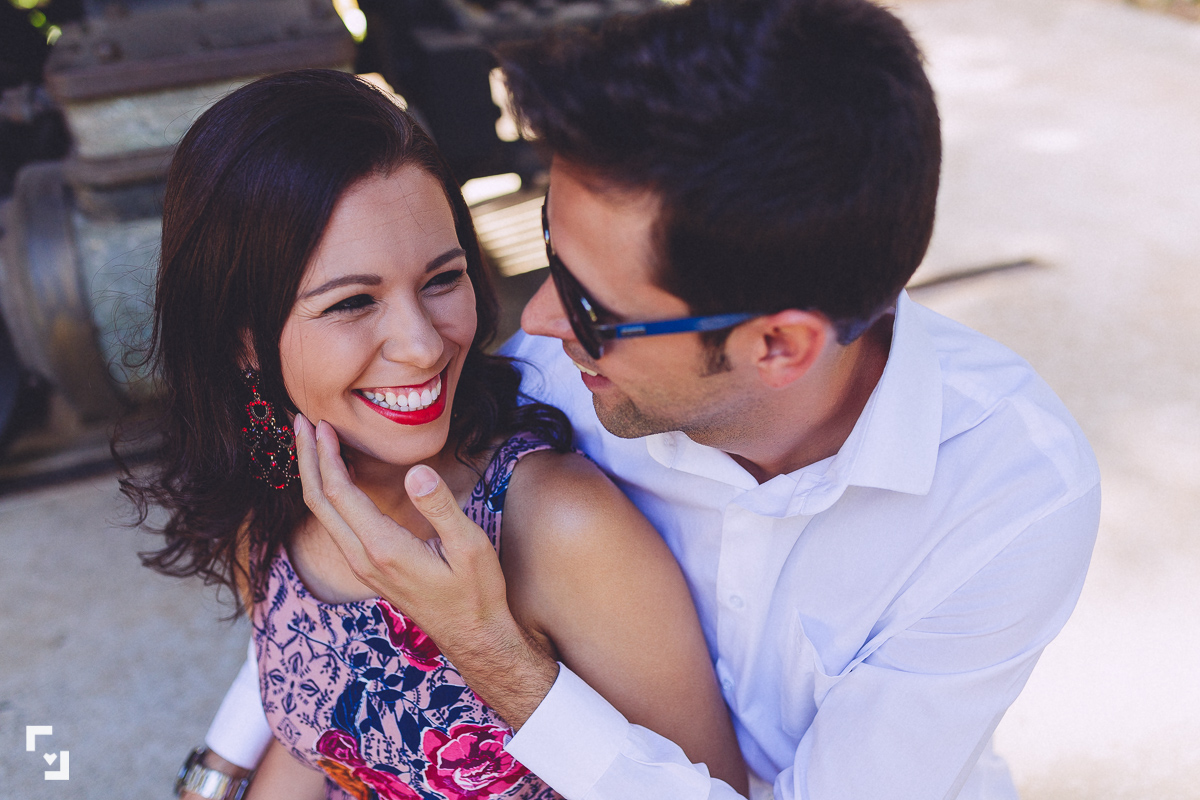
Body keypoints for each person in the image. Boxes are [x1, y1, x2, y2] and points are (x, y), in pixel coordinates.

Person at [203, 0, 1102, 797]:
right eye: (549, 258)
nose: (537, 322)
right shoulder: (559, 371)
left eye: (596, 309)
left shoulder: (1008, 498)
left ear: (776, 345)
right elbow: (334, 588)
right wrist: (221, 767)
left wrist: (496, 658)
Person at [126, 69, 747, 800]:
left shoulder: (559, 528)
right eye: (354, 301)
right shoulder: (272, 493)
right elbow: (320, 744)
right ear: (244, 342)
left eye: (442, 279)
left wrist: (492, 650)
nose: (422, 345)